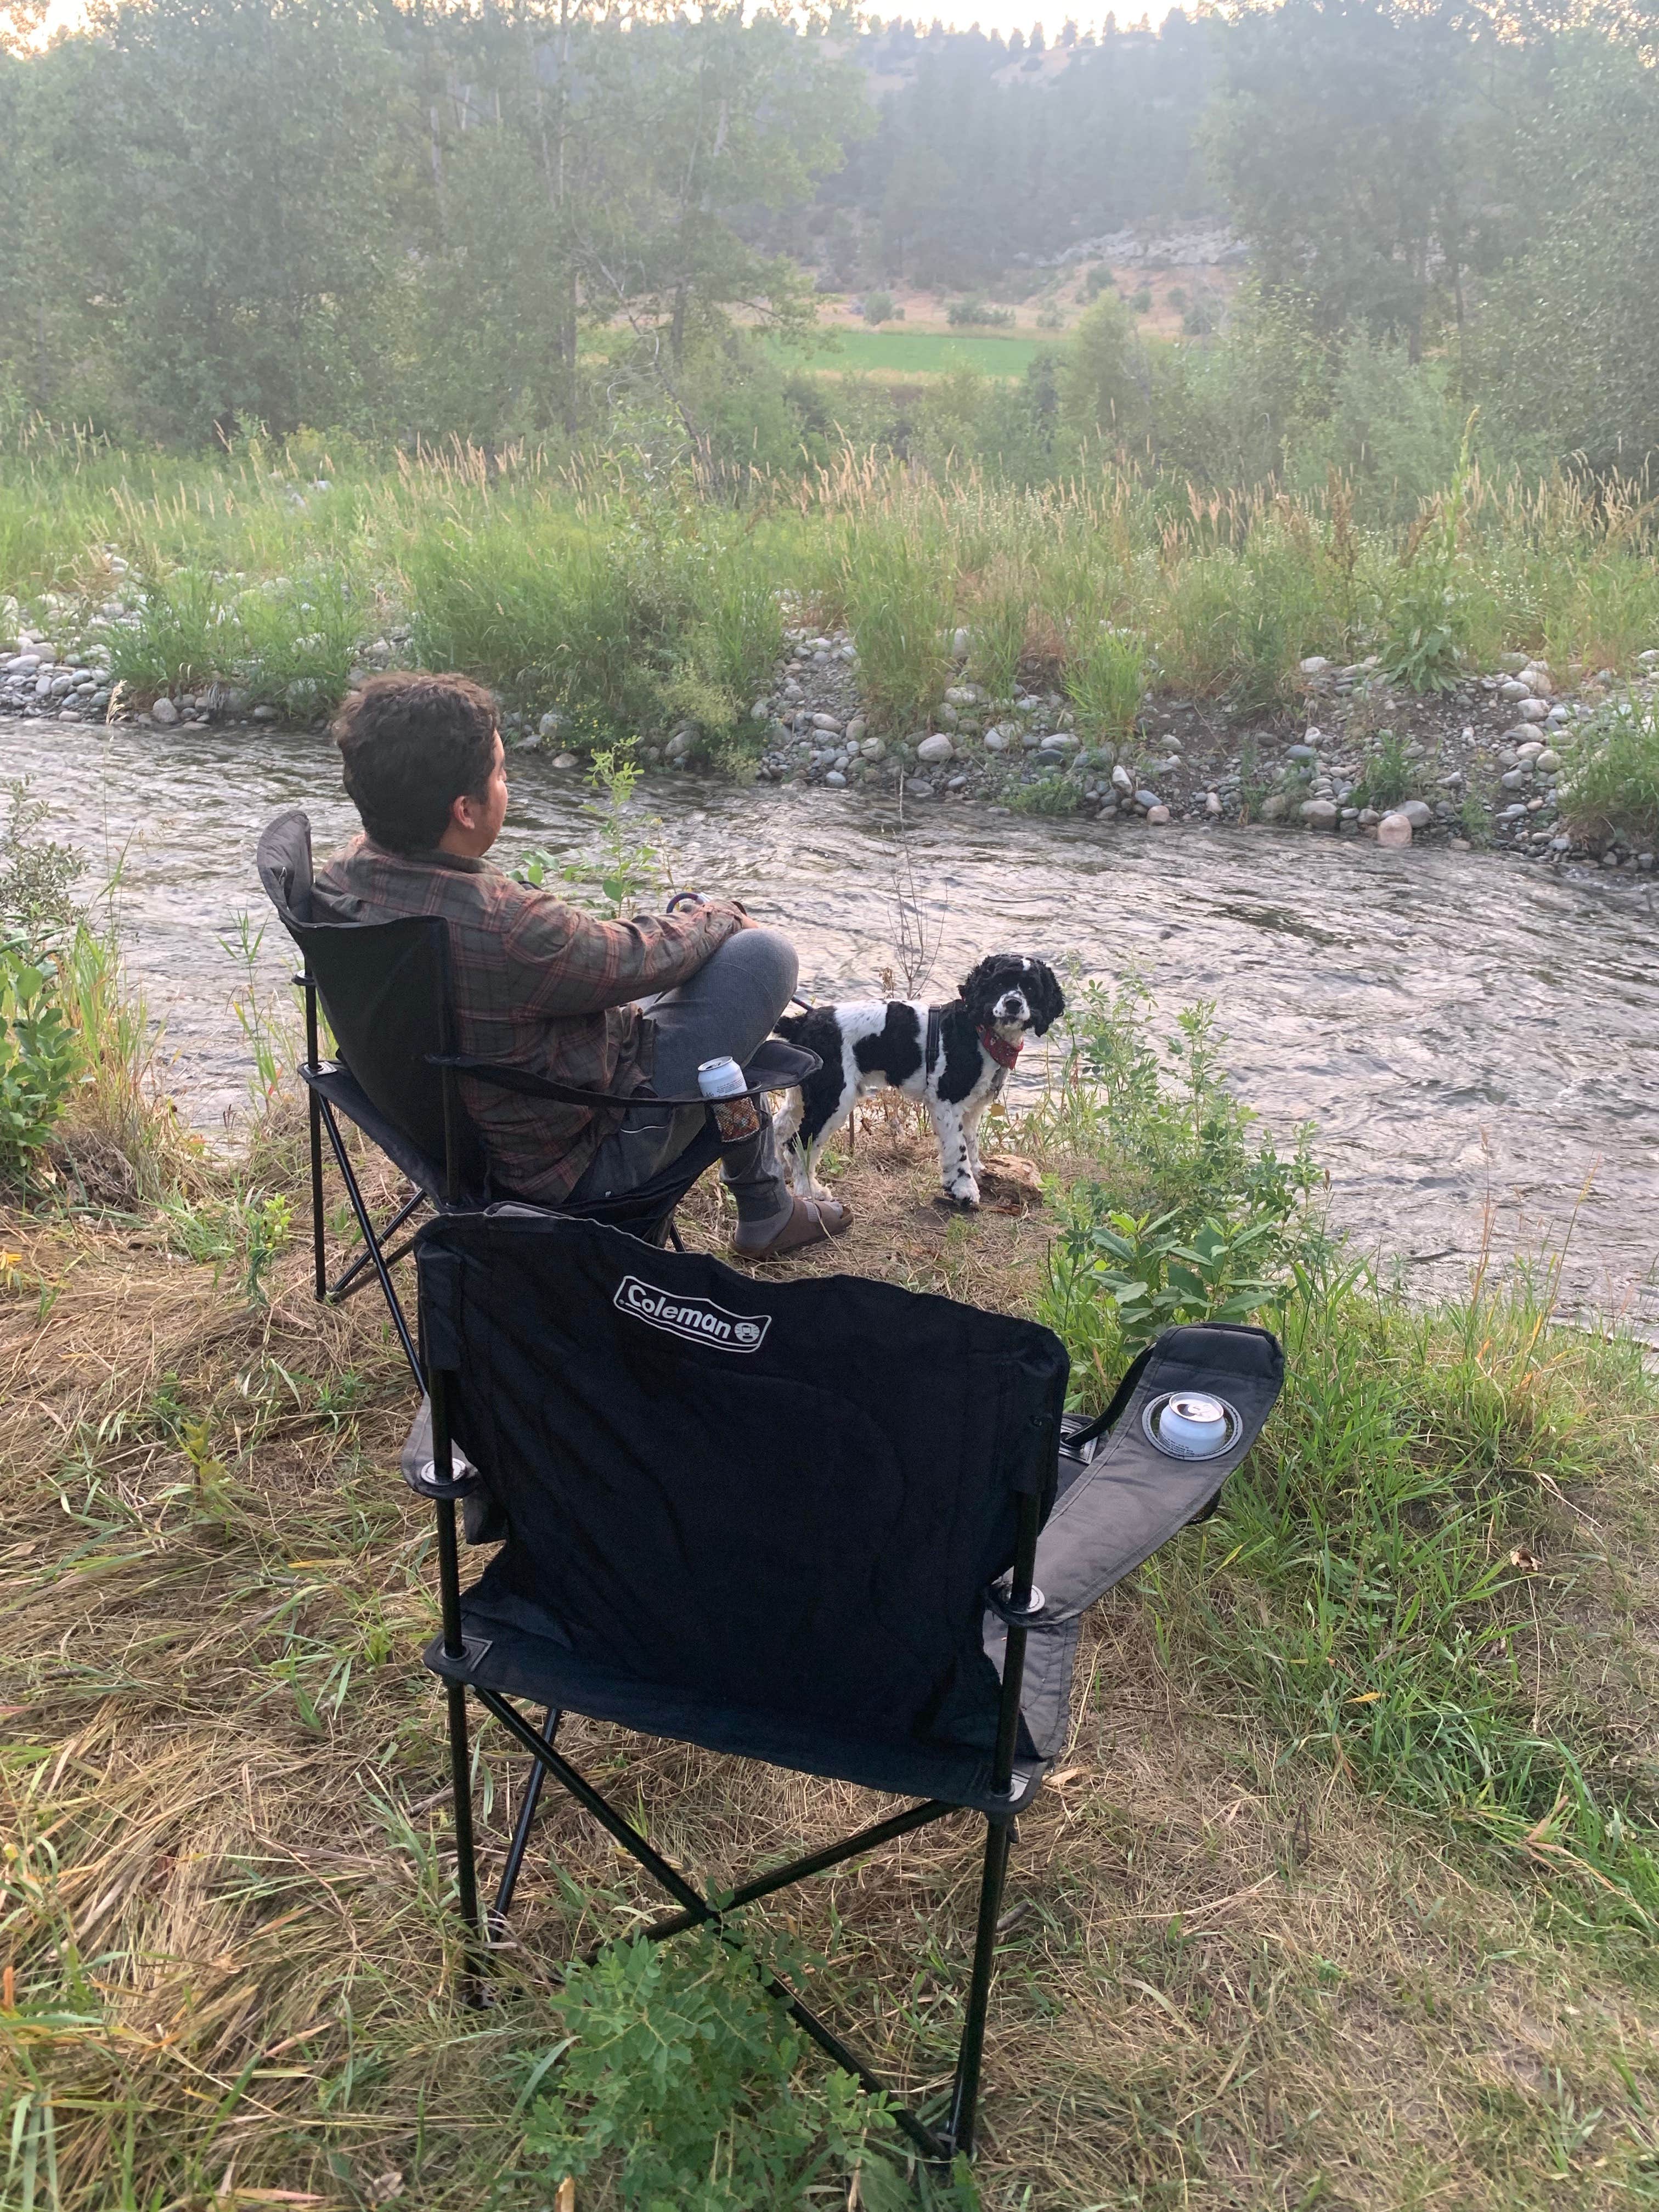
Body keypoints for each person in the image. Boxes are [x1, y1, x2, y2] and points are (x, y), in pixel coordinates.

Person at [312, 673, 849, 1259]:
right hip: (580, 1165)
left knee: (685, 973)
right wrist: (722, 914)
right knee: (760, 956)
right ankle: (766, 1208)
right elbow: (637, 956)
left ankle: (766, 1204)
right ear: (465, 810)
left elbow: (600, 957)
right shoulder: (507, 926)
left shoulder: (339, 880)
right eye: (501, 774)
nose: (508, 785)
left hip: (453, 1147)